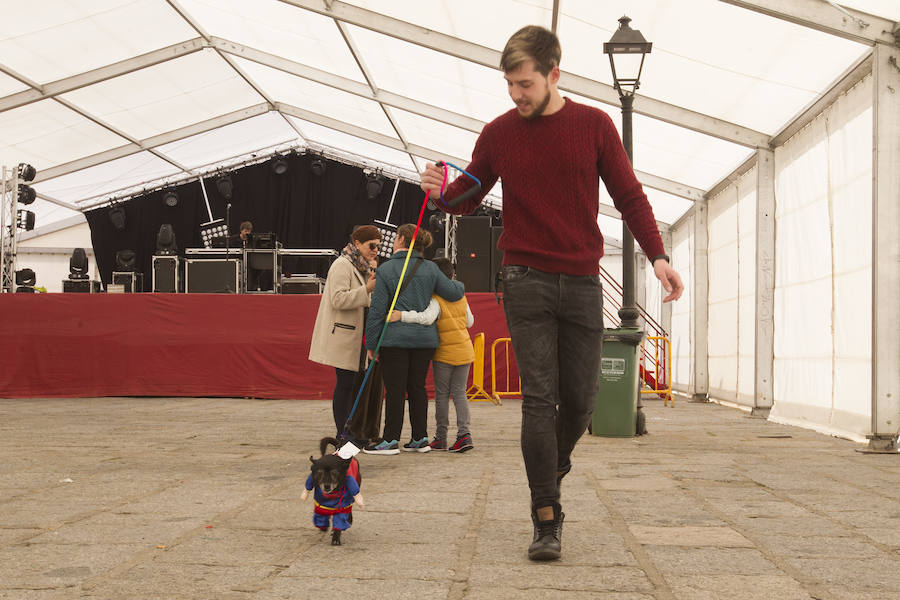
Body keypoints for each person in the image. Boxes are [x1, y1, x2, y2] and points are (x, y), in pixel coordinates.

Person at [419, 25, 684, 561]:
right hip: (525, 280)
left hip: (582, 283)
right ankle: (546, 514)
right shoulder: (498, 133)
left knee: (582, 401)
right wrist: (440, 194)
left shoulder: (594, 126)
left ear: (553, 74)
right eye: (510, 85)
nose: (516, 94)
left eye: (525, 84)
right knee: (539, 400)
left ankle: (549, 464)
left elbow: (630, 197)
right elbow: (468, 195)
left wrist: (658, 258)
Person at [362, 225, 465, 455]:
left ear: (400, 239)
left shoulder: (386, 270)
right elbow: (454, 292)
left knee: (395, 389)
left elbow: (378, 310)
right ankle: (420, 437)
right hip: (424, 340)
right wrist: (459, 283)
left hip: (394, 339)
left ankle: (390, 440)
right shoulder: (430, 268)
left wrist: (371, 343)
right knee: (417, 387)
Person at [389, 258, 475, 453]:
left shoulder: (435, 298)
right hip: (465, 350)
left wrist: (401, 315)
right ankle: (464, 434)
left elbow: (426, 319)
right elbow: (470, 322)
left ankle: (441, 437)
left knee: (442, 396)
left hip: (445, 353)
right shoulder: (461, 296)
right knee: (460, 393)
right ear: (452, 276)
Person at [309, 225, 381, 439]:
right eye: (372, 245)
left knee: (353, 384)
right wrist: (367, 289)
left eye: (379, 245)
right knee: (346, 384)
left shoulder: (361, 266)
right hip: (344, 334)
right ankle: (343, 432)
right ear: (357, 243)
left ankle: (352, 430)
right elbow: (338, 299)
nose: (376, 250)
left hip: (357, 335)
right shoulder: (342, 265)